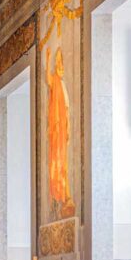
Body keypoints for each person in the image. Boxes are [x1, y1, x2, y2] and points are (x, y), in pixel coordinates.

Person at [45, 47, 75, 219]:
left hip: (62, 129)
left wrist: (69, 128)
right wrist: (48, 58)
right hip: (56, 130)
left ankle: (64, 196)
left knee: (62, 164)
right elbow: (48, 79)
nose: (61, 69)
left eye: (62, 66)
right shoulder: (55, 81)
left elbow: (67, 109)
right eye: (59, 66)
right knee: (57, 163)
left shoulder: (61, 85)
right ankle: (59, 195)